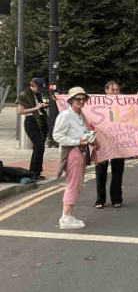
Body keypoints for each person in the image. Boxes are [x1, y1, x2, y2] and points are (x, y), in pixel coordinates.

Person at [53, 87, 96, 229]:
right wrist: (78, 142)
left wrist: (91, 139)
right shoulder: (65, 115)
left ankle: (69, 215)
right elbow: (57, 136)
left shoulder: (80, 115)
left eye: (83, 99)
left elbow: (84, 132)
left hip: (81, 152)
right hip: (73, 152)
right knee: (73, 184)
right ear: (71, 100)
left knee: (77, 184)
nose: (81, 101)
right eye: (78, 99)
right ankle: (65, 217)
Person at [95, 81, 126, 209]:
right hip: (102, 142)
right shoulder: (99, 103)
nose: (114, 92)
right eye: (112, 90)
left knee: (117, 172)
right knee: (101, 172)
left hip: (118, 142)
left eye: (117, 90)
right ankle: (100, 200)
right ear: (106, 90)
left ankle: (116, 198)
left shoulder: (124, 104)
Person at [16, 78, 50, 180]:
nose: (40, 91)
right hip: (31, 122)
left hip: (41, 121)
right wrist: (36, 108)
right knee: (39, 146)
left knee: (39, 148)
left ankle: (36, 172)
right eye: (39, 89)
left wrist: (43, 106)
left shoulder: (36, 95)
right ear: (33, 85)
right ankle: (34, 172)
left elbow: (38, 107)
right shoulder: (25, 94)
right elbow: (20, 111)